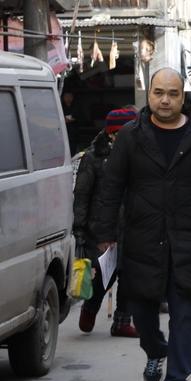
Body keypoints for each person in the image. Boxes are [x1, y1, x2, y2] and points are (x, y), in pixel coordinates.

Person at [94, 68, 191, 381]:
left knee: (184, 311)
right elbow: (112, 186)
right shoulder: (131, 135)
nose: (165, 100)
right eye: (159, 92)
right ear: (150, 95)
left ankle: (177, 380)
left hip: (187, 237)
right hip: (142, 237)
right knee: (141, 310)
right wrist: (105, 231)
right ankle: (156, 350)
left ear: (183, 95)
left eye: (173, 93)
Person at [72, 107, 138, 338]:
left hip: (132, 224)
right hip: (101, 226)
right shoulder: (93, 158)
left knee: (130, 274)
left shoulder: (140, 155)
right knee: (103, 274)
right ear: (112, 134)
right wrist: (79, 228)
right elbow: (82, 194)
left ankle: (121, 321)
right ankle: (90, 307)